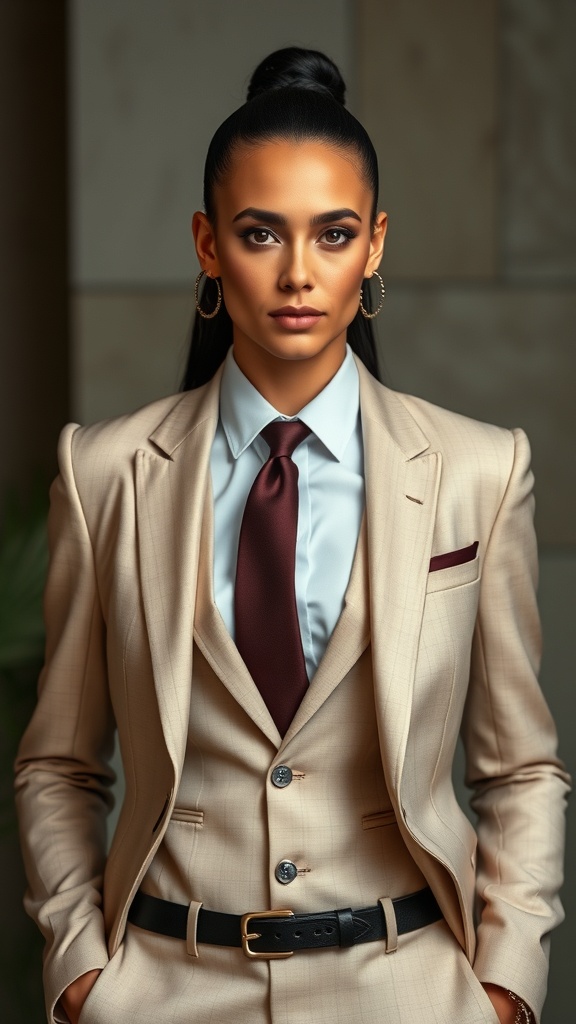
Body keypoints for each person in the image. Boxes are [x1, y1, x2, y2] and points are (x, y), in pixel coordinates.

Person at [15, 47, 569, 1024]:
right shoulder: (103, 472)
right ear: (207, 243)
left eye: (335, 233)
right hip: (164, 990)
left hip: (409, 993)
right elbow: (60, 763)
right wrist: (80, 967)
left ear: (376, 245)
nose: (300, 273)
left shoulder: (479, 471)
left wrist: (504, 984)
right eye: (261, 233)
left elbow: (520, 767)